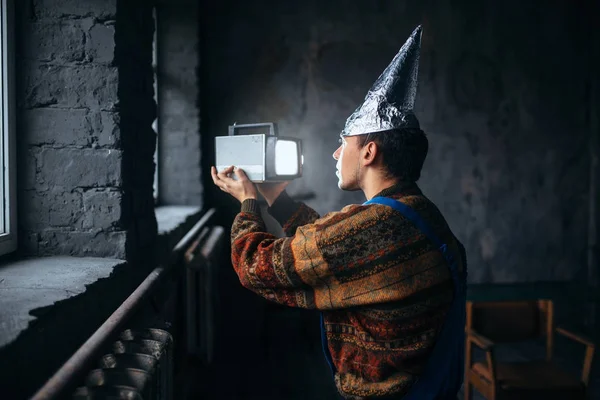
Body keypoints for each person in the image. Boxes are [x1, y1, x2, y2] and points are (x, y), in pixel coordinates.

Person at [211, 25, 467, 400]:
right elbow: (342, 250)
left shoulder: (373, 227)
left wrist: (248, 203)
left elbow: (255, 266)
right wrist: (276, 201)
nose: (335, 154)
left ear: (369, 152)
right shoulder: (417, 213)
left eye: (342, 143)